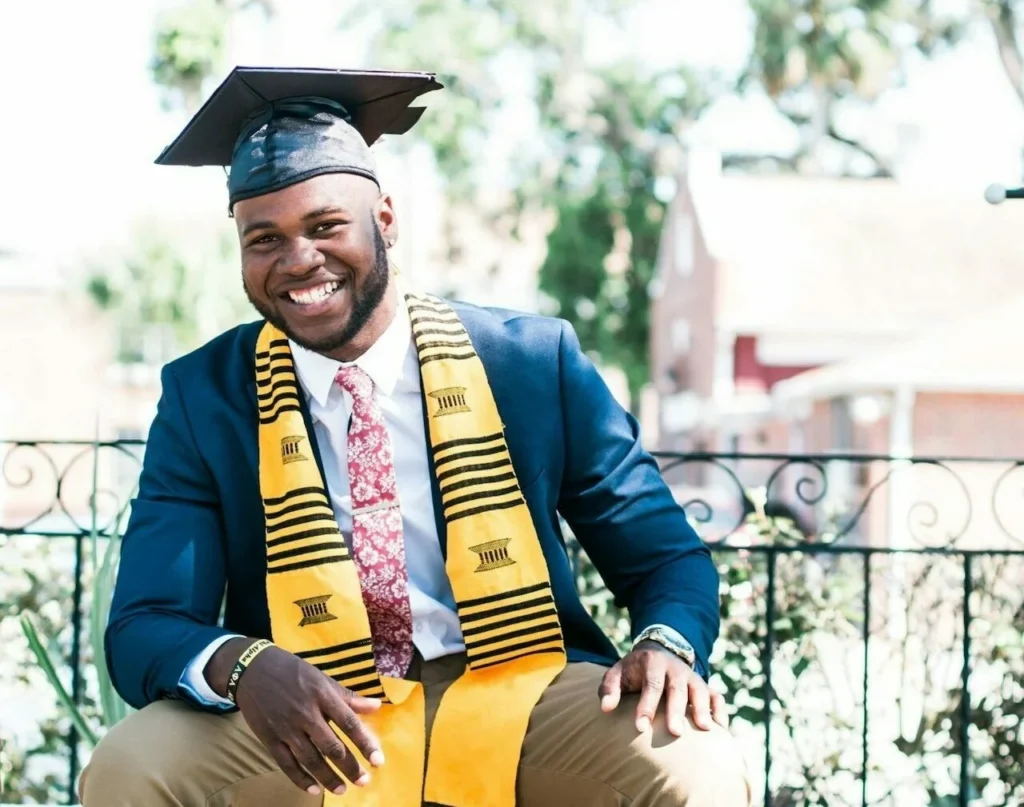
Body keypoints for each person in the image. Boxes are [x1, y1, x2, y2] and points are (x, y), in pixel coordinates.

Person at [79, 66, 751, 807]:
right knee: (131, 767)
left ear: (386, 219)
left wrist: (666, 641)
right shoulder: (207, 395)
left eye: (325, 225)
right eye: (263, 238)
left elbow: (666, 559)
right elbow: (144, 623)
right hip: (314, 704)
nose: (299, 260)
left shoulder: (528, 362)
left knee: (695, 768)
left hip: (520, 687)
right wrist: (243, 664)